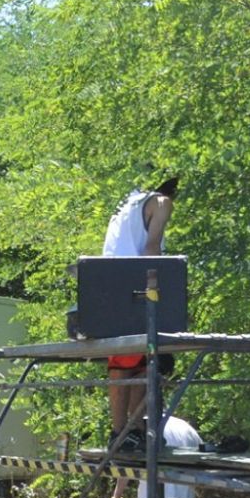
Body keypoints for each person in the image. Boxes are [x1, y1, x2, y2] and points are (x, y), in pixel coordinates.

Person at [102, 176, 178, 442]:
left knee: (135, 362)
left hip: (107, 287)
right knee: (138, 362)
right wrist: (162, 303)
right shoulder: (162, 201)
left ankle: (128, 431)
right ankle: (123, 431)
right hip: (134, 288)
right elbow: (151, 249)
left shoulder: (126, 204)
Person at [112, 412, 201, 498]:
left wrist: (116, 497)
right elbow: (201, 461)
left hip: (149, 496)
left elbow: (129, 463)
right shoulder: (187, 428)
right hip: (183, 497)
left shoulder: (144, 427)